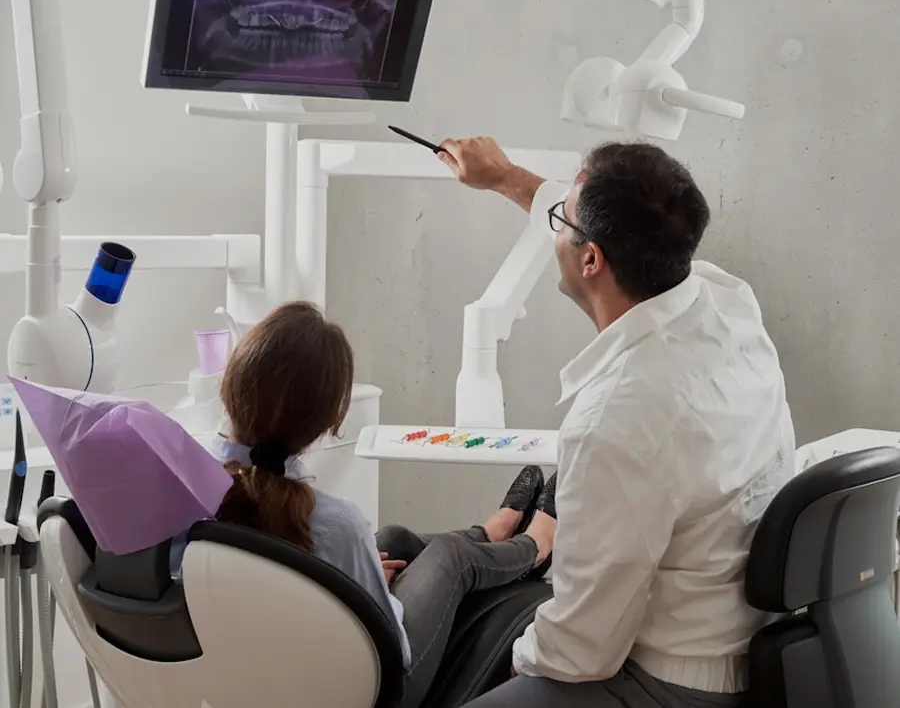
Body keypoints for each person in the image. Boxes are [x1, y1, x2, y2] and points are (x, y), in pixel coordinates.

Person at [435, 138, 795, 708]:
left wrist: (505, 663)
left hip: (666, 683)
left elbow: (579, 652)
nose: (556, 223)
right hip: (735, 638)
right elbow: (599, 219)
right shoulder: (727, 301)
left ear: (591, 260)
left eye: (562, 219)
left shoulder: (617, 419)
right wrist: (504, 177)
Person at [206, 301, 559, 708]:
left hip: (260, 677)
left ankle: (490, 534)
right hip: (371, 692)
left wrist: (359, 578)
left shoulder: (188, 488)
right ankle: (534, 546)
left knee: (392, 539)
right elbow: (391, 647)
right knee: (451, 557)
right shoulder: (337, 525)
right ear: (329, 422)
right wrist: (373, 595)